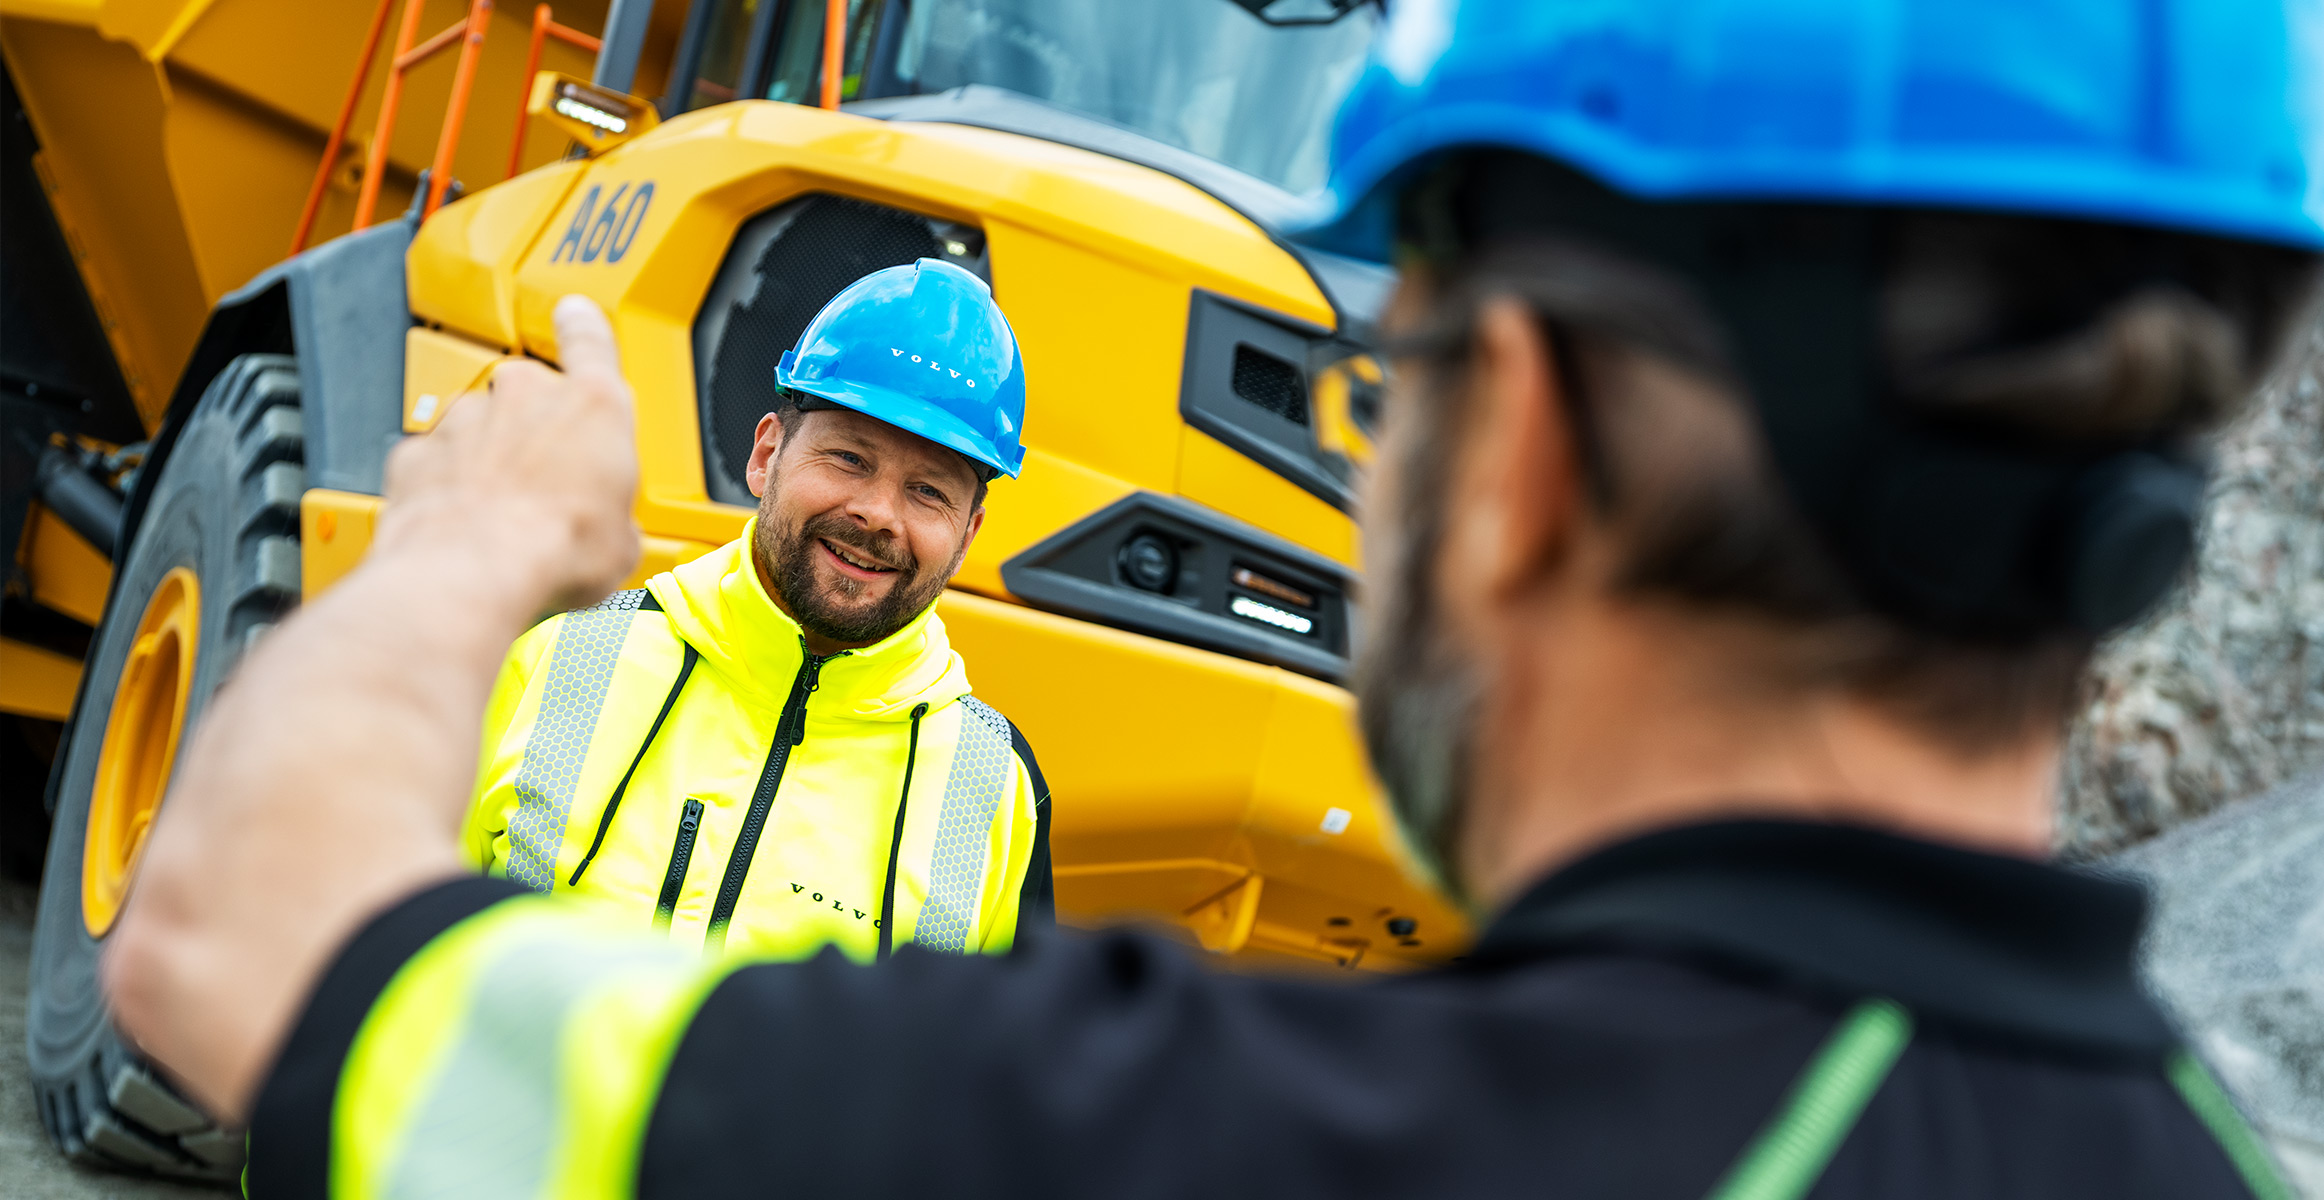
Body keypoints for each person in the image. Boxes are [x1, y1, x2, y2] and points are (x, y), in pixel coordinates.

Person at [103, 0, 2322, 1196]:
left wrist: (479, 542)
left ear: (1523, 431)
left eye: (1393, 372)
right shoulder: (2218, 1163)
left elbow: (237, 942)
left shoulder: (1168, 1132)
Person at [462, 257, 1052, 960]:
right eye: (849, 459)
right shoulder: (558, 655)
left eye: (928, 491)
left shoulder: (995, 790)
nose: (876, 514)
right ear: (767, 453)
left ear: (967, 537)